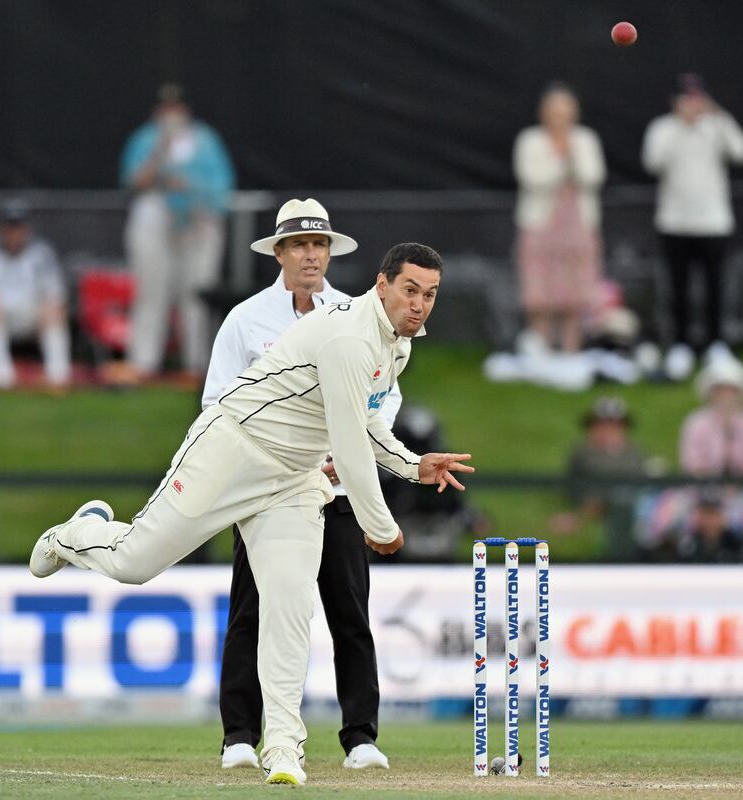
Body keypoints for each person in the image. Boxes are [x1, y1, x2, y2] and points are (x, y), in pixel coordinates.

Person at [29, 242, 474, 787]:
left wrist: (413, 465)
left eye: (430, 295)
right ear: (382, 285)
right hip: (233, 450)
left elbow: (369, 423)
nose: (420, 304)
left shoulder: (395, 345)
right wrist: (381, 525)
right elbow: (351, 450)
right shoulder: (349, 337)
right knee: (134, 562)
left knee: (289, 607)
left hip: (292, 481)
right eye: (410, 290)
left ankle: (284, 747)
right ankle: (76, 535)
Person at [202, 198, 393, 770]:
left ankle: (360, 738)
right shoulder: (246, 319)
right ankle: (239, 735)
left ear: (329, 252)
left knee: (349, 614)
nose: (311, 255)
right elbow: (218, 404)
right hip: (266, 492)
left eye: (320, 245)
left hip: (336, 490)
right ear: (279, 252)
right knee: (252, 611)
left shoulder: (361, 315)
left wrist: (350, 453)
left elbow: (382, 396)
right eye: (300, 245)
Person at [112, 83, 236, 386]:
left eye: (176, 108)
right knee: (151, 291)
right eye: (166, 109)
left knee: (196, 293)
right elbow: (132, 182)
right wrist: (159, 155)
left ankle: (198, 364)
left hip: (198, 220)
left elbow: (224, 189)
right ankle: (143, 361)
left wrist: (190, 188)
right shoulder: (145, 139)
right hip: (156, 219)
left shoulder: (206, 141)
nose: (171, 115)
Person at [642, 73, 743, 381]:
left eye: (696, 98)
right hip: (674, 222)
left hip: (713, 222)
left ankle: (716, 345)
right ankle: (681, 346)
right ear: (675, 102)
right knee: (678, 287)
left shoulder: (717, 125)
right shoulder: (663, 129)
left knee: (715, 286)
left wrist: (718, 118)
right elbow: (653, 162)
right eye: (686, 99)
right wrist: (682, 127)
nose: (692, 105)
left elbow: (742, 152)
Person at [513, 82, 606, 355]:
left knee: (575, 292)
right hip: (540, 226)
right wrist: (561, 162)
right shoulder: (530, 140)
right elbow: (533, 179)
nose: (560, 119)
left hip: (578, 226)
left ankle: (571, 351)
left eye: (565, 112)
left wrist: (571, 154)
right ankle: (540, 352)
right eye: (554, 112)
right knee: (540, 291)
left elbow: (592, 177)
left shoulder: (586, 140)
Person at [0, 199, 70, 389]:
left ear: (27, 229)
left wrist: (54, 312)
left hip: (31, 317)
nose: (14, 234)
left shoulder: (42, 253)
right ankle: (3, 379)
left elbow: (59, 299)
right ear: (0, 228)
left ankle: (57, 378)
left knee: (51, 310)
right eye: (9, 227)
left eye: (18, 227)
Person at [550, 397, 648, 559]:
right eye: (602, 425)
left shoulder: (634, 453)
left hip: (635, 504)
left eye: (614, 426)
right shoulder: (583, 453)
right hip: (601, 503)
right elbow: (576, 486)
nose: (608, 431)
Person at [680, 358, 743, 478]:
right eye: (721, 390)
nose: (726, 396)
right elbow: (691, 464)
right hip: (702, 489)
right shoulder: (696, 423)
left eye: (732, 391)